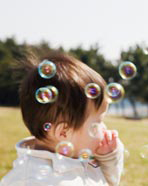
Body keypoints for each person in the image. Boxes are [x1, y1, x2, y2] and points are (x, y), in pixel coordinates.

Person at [0, 52, 124, 186]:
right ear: (64, 132)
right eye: (98, 122)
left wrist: (108, 159)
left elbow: (109, 182)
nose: (104, 128)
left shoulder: (84, 161)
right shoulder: (30, 180)